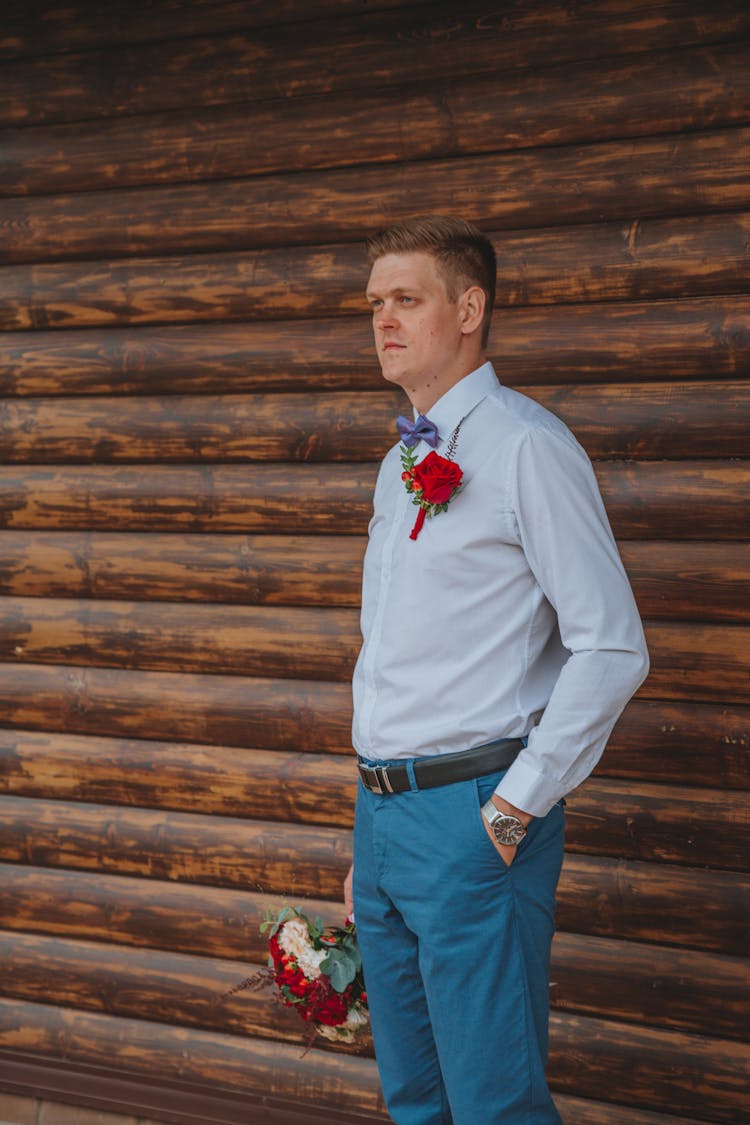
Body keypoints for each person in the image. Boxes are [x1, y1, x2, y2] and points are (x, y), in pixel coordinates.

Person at [343, 215, 649, 1125]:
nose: (384, 319)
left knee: (494, 1106)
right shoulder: (401, 461)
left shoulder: (526, 446)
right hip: (386, 819)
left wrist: (515, 808)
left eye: (407, 299)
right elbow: (397, 654)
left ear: (469, 308)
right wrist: (372, 827)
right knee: (415, 1099)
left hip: (476, 816)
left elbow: (612, 644)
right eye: (374, 304)